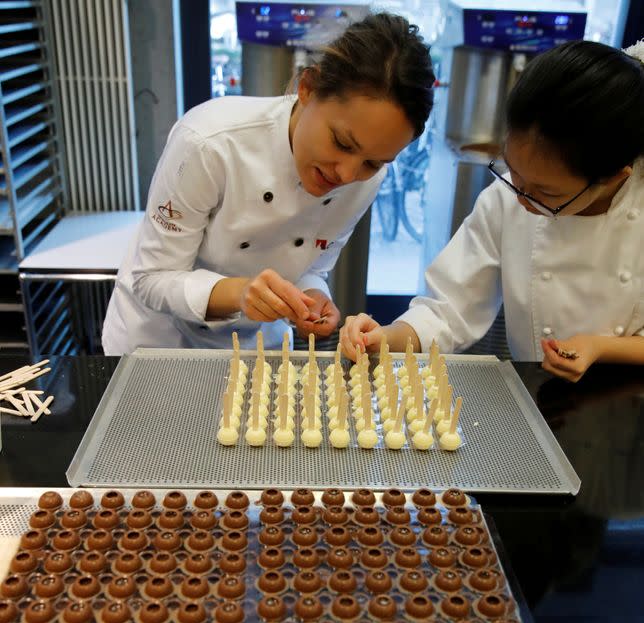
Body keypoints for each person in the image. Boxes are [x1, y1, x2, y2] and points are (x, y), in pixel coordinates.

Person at [102, 12, 435, 355]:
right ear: (307, 88)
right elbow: (152, 279)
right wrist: (240, 293)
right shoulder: (208, 143)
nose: (347, 175)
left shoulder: (368, 179)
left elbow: (312, 266)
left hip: (258, 346)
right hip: (160, 341)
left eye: (373, 161)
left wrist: (313, 298)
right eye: (342, 143)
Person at [340, 39, 644, 382]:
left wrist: (600, 347)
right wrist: (387, 337)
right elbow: (450, 307)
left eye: (546, 192)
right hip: (538, 391)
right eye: (512, 169)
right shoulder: (505, 200)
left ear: (615, 177)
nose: (522, 198)